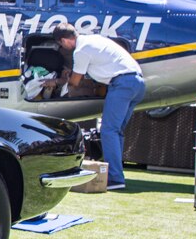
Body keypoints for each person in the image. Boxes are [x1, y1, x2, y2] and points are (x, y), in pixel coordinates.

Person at [52, 24, 144, 191]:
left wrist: (60, 80)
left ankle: (115, 178)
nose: (63, 48)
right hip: (137, 83)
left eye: (61, 44)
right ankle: (117, 174)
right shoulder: (94, 39)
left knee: (108, 131)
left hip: (122, 84)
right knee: (116, 132)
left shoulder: (80, 50)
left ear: (65, 40)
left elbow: (75, 82)